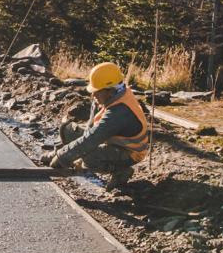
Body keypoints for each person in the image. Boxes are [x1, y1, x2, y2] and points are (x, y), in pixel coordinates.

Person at [46, 62, 148, 190]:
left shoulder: (120, 112)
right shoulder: (114, 95)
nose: (93, 95)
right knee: (68, 130)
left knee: (90, 156)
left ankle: (121, 171)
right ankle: (60, 155)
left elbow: (92, 139)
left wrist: (62, 157)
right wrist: (61, 152)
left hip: (128, 153)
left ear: (110, 90)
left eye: (96, 92)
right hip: (112, 142)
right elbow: (91, 129)